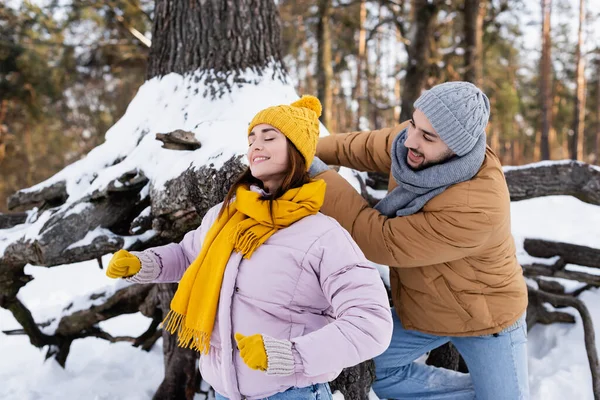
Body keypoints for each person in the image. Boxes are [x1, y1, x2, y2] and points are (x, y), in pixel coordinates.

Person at [105, 95, 393, 400]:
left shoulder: (321, 235)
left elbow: (371, 322)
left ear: (298, 151)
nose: (256, 145)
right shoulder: (226, 215)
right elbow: (190, 255)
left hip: (291, 394)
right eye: (252, 138)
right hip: (223, 393)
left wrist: (291, 354)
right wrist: (144, 264)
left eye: (269, 137)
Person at [308, 81, 529, 400]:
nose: (409, 139)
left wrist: (317, 175)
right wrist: (308, 146)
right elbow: (365, 147)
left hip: (488, 319)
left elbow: (379, 239)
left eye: (427, 136)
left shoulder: (477, 206)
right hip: (427, 307)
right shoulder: (415, 141)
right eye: (413, 123)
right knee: (375, 371)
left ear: (457, 146)